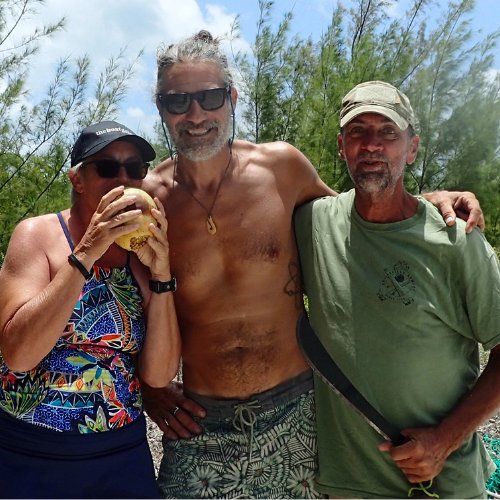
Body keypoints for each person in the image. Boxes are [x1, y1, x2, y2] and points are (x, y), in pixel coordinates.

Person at [142, 31, 485, 499]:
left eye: (210, 96)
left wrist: (426, 204)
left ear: (232, 98)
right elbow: (124, 310)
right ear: (160, 107)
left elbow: (361, 217)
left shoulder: (282, 169)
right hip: (201, 427)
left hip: (299, 414)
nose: (196, 114)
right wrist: (149, 389)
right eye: (179, 101)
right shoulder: (149, 203)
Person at [294, 80, 500, 498]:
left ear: (412, 148)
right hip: (346, 483)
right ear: (341, 145)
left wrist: (444, 440)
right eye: (358, 132)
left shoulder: (455, 239)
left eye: (388, 133)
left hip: (441, 484)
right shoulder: (311, 223)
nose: (372, 145)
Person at [0, 120, 181, 498]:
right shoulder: (37, 236)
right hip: (30, 451)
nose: (123, 179)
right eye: (107, 167)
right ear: (77, 179)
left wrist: (162, 274)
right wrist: (86, 253)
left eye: (135, 169)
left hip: (119, 455)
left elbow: (159, 375)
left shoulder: (140, 256)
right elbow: (18, 353)